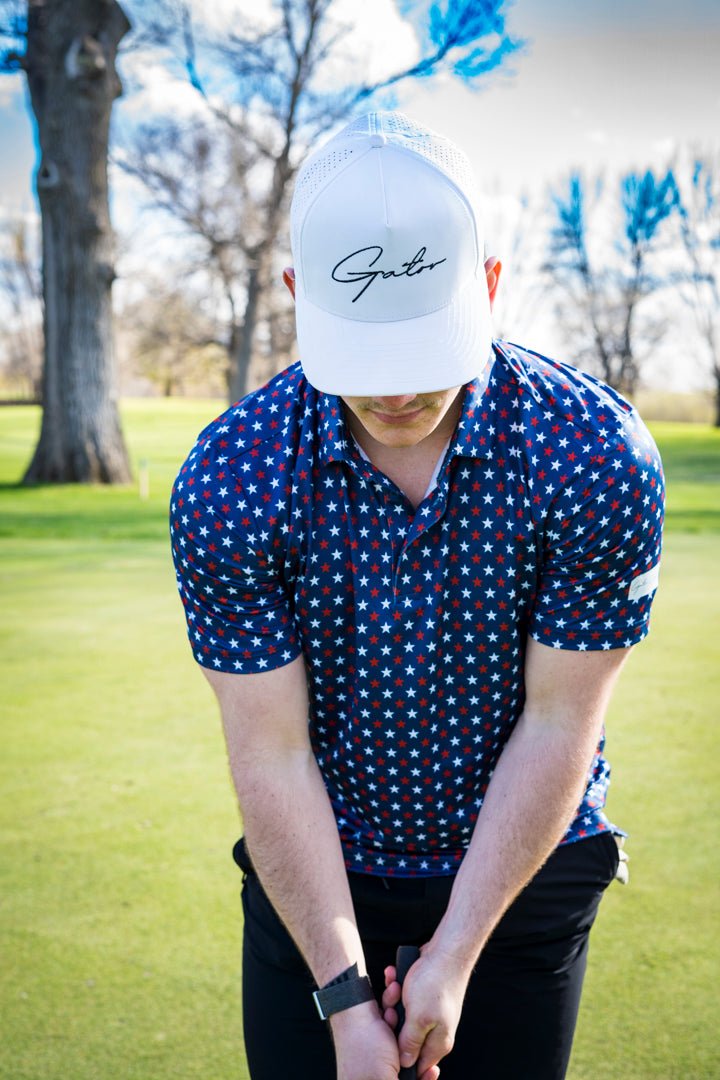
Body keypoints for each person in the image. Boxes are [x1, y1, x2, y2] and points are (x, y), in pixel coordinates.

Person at [170, 112, 664, 1080]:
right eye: (365, 351)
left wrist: (456, 951)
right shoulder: (230, 477)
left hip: (525, 878)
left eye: (423, 344)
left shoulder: (598, 458)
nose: (395, 392)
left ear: (486, 285)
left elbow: (561, 725)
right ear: (298, 295)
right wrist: (348, 999)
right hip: (318, 875)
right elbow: (272, 753)